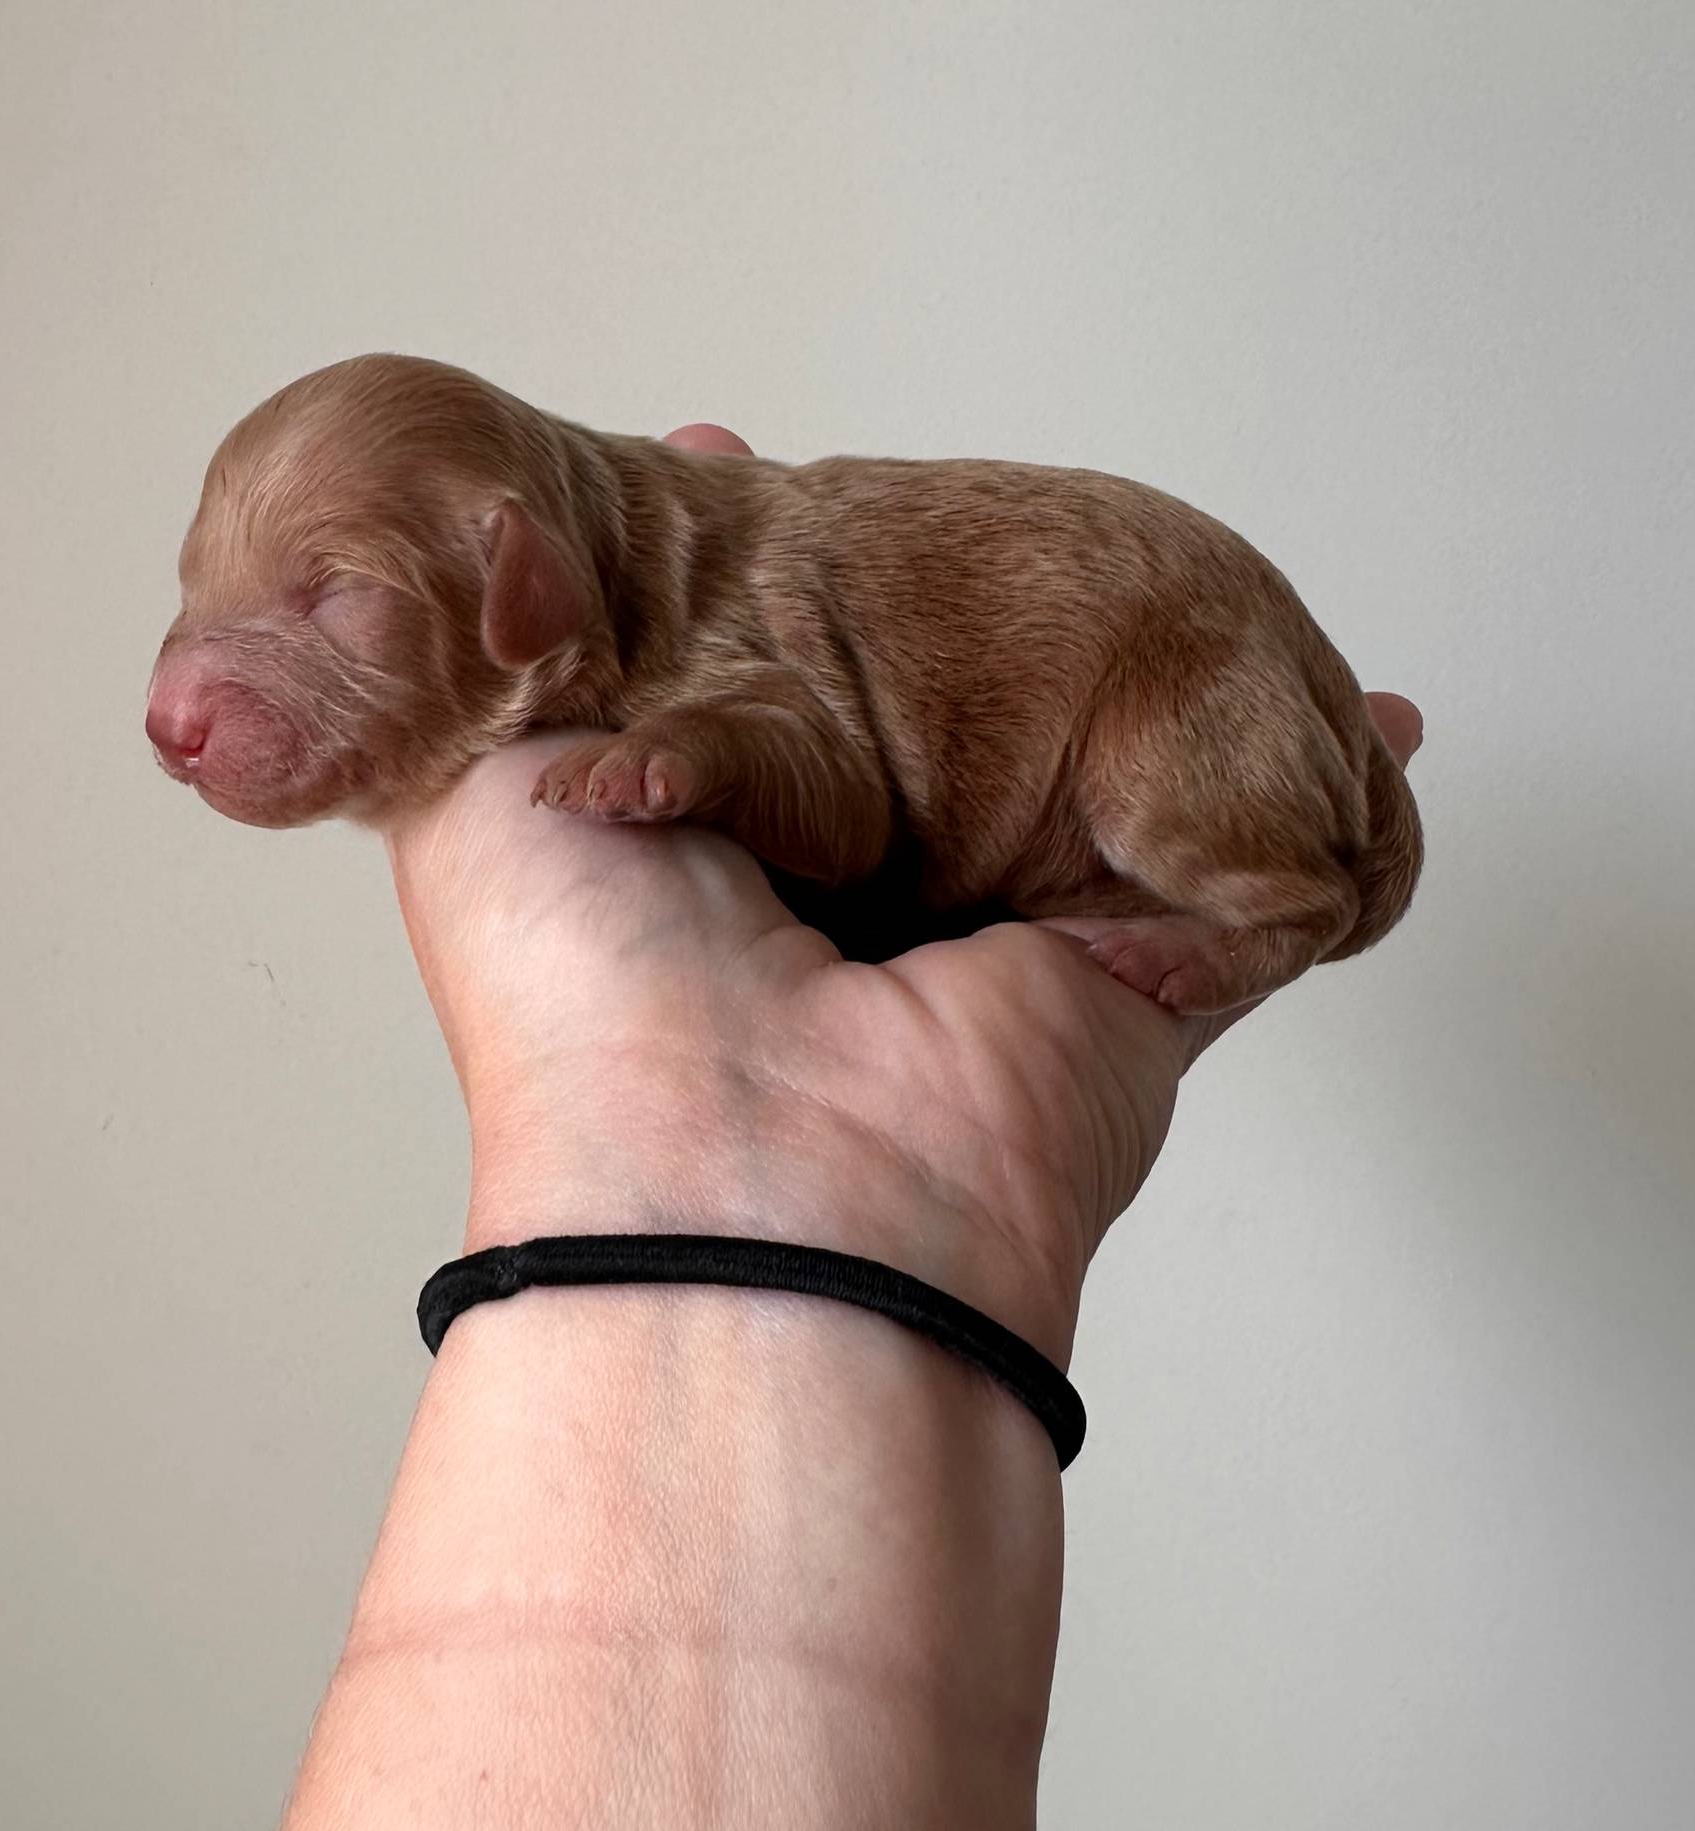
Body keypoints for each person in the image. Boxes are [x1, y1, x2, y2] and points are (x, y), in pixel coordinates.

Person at [280, 421, 1425, 1830]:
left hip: (1172, 680)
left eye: (324, 592)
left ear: (517, 569)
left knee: (1183, 815)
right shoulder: (627, 619)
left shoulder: (719, 615)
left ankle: (1271, 912)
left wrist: (708, 758)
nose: (180, 695)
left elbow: (835, 802)